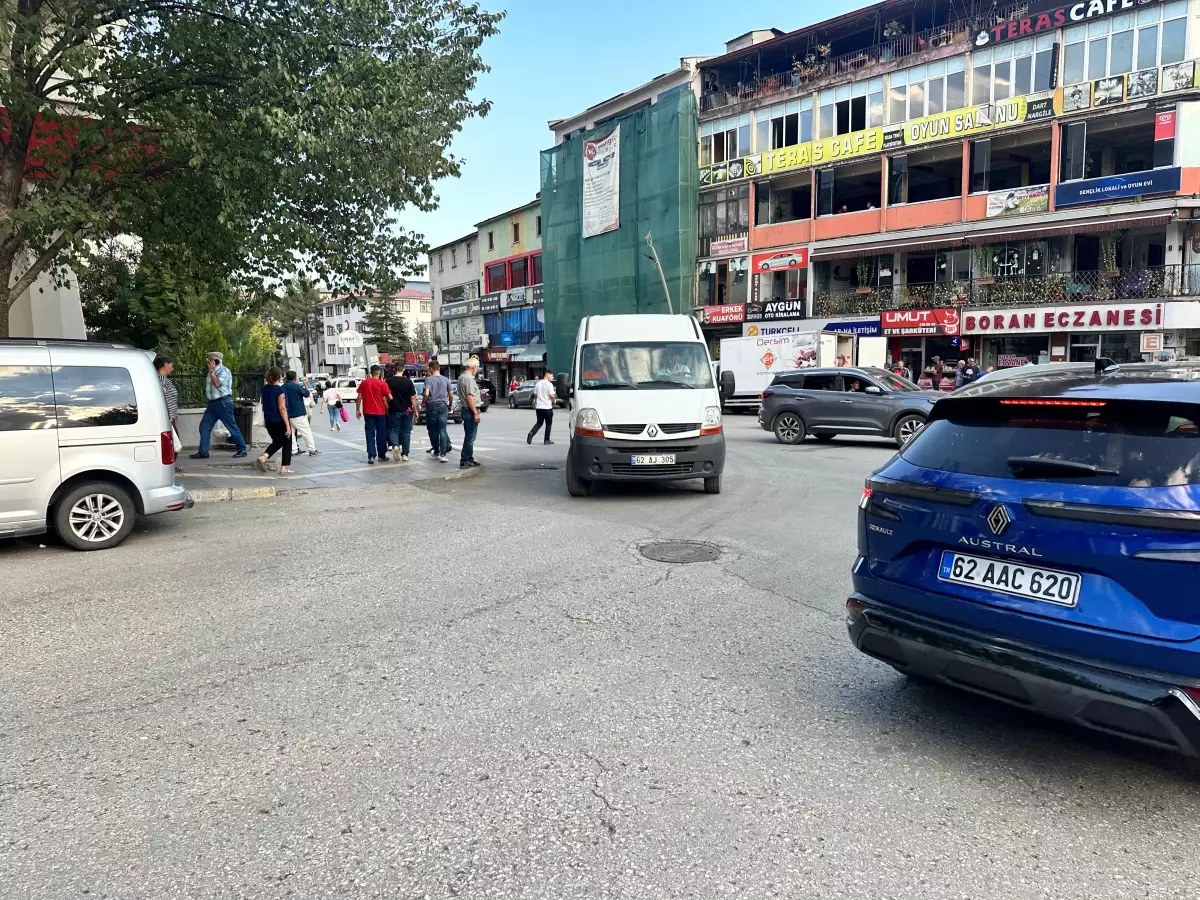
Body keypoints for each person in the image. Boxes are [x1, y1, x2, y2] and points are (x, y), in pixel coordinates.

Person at [191, 351, 248, 460]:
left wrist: (212, 372)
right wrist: (211, 372)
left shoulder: (224, 371)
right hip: (212, 404)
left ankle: (242, 449)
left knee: (231, 426)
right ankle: (203, 452)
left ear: (215, 360)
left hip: (223, 402)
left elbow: (217, 384)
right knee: (204, 426)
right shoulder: (210, 372)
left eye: (210, 359)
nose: (207, 361)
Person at [256, 367, 292, 474]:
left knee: (280, 441)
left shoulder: (264, 389)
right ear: (279, 377)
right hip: (279, 420)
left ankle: (282, 466)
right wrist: (288, 425)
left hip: (268, 421)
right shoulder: (280, 390)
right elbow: (282, 408)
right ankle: (266, 458)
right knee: (285, 440)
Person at [355, 365, 392, 465]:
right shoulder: (382, 384)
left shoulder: (364, 382)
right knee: (381, 434)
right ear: (379, 373)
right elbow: (390, 396)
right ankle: (382, 455)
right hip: (381, 412)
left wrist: (357, 409)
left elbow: (359, 396)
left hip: (368, 412)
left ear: (371, 373)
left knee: (370, 433)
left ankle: (371, 455)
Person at [385, 365, 418, 462]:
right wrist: (415, 410)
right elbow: (413, 397)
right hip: (407, 411)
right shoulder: (408, 381)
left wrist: (387, 406)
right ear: (403, 370)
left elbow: (386, 396)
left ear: (394, 369)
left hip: (394, 410)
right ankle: (405, 454)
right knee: (406, 432)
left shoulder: (388, 381)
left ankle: (395, 445)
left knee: (393, 430)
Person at [423, 359, 454, 462]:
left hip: (432, 405)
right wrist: (450, 404)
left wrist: (424, 402)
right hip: (443, 405)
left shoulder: (428, 379)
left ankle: (436, 451)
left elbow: (426, 393)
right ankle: (443, 454)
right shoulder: (446, 379)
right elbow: (451, 394)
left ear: (431, 369)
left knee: (433, 430)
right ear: (439, 368)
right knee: (442, 430)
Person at [284, 371, 319, 457]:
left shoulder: (282, 387)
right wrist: (306, 385)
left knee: (291, 433)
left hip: (287, 413)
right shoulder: (296, 386)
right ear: (295, 378)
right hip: (298, 413)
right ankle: (312, 450)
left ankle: (293, 450)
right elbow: (306, 394)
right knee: (306, 432)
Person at [456, 357, 483, 469]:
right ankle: (465, 459)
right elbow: (469, 397)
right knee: (470, 437)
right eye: (477, 367)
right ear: (473, 367)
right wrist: (476, 413)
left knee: (469, 435)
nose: (477, 369)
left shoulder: (461, 377)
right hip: (470, 410)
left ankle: (468, 458)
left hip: (465, 409)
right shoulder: (469, 379)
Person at [527, 370, 557, 445]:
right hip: (547, 407)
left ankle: (531, 433)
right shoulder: (549, 384)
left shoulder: (538, 384)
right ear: (548, 375)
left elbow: (536, 395)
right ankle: (546, 440)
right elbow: (551, 395)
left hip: (539, 407)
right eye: (552, 376)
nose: (553, 377)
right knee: (548, 424)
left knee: (539, 422)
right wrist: (554, 400)